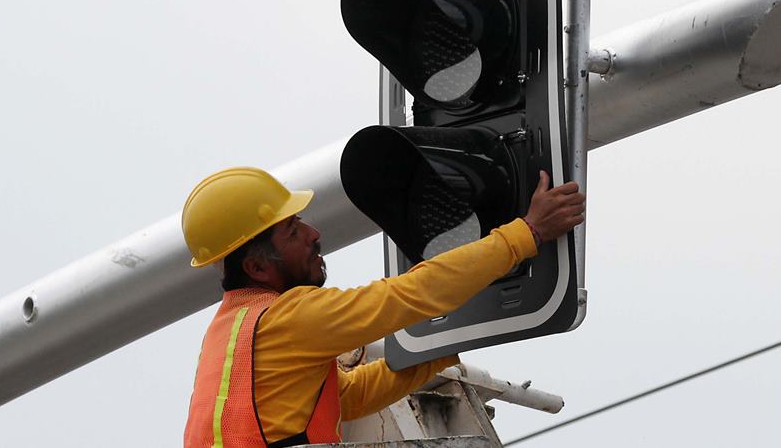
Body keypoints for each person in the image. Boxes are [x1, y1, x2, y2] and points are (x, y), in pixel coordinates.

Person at [181, 165, 585, 448]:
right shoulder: (291, 317)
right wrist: (527, 233)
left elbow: (346, 399)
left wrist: (438, 350)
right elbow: (414, 293)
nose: (314, 233)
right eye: (292, 230)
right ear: (256, 266)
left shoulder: (228, 331)